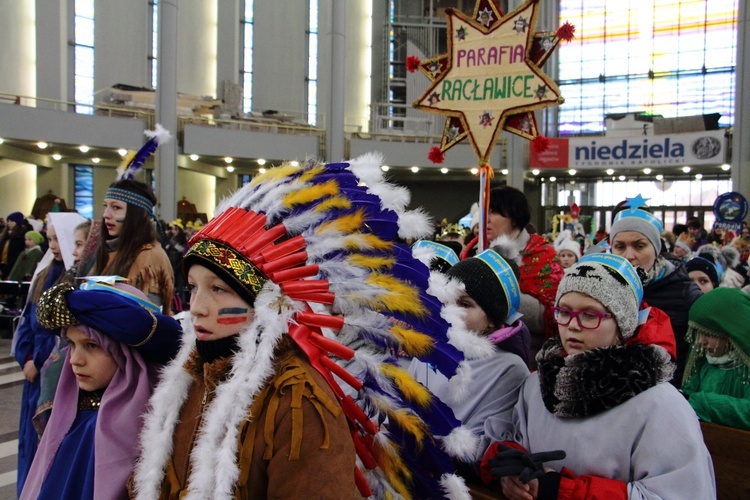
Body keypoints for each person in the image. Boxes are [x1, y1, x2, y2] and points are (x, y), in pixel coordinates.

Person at [133, 157, 481, 498]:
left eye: (218, 289)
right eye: (192, 287)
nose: (196, 308)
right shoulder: (190, 377)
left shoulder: (299, 402)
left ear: (264, 305)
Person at [480, 253, 715, 499]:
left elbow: (678, 493)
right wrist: (511, 470)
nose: (572, 325)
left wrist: (561, 490)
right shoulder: (536, 385)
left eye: (590, 315)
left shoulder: (659, 404)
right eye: (563, 311)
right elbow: (508, 438)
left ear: (622, 326)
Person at [20, 278, 182, 500]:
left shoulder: (158, 425)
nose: (75, 360)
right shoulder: (74, 420)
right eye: (72, 345)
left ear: (126, 355)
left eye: (92, 346)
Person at [410, 249, 530, 445]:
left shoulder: (510, 368)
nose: (450, 310)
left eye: (464, 304)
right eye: (446, 300)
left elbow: (490, 440)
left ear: (492, 319)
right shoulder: (427, 350)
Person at [609, 199, 701, 384]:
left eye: (639, 246)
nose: (629, 256)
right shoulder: (601, 288)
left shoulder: (685, 293)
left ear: (656, 249)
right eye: (620, 247)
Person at [12, 221, 69, 496]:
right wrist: (26, 357)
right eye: (50, 239)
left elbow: (60, 333)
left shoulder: (70, 279)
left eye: (59, 239)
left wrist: (39, 360)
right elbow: (26, 323)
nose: (54, 246)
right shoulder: (43, 274)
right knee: (27, 443)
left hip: (52, 374)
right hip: (33, 374)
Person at [482, 186, 564, 366]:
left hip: (529, 359)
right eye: (485, 211)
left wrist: (498, 296)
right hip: (486, 359)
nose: (485, 218)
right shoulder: (478, 252)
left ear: (514, 217)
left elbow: (552, 315)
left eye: (494, 212)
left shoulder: (543, 254)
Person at [91, 178, 174, 312]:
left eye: (116, 207)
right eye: (105, 206)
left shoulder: (149, 258)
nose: (106, 214)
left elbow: (148, 319)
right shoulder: (108, 251)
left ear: (141, 213)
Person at [681, 287, 750, 431]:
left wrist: (704, 403)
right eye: (698, 333)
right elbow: (687, 394)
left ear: (731, 334)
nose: (700, 341)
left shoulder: (746, 369)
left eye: (709, 334)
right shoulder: (701, 361)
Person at [1, 211, 29, 279]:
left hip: (10, 268)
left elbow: (16, 256)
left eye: (12, 221)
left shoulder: (20, 236)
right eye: (8, 221)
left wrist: (4, 270)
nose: (9, 223)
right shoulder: (6, 235)